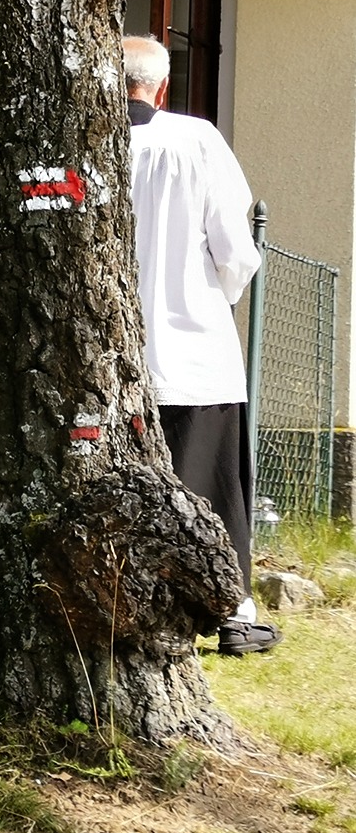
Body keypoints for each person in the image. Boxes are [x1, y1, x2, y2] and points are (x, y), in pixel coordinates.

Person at [124, 35, 278, 656]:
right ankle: (232, 612)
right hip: (192, 349)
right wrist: (218, 295)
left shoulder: (86, 143)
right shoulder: (195, 140)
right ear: (161, 87)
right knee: (211, 491)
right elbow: (236, 250)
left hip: (112, 358)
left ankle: (137, 610)